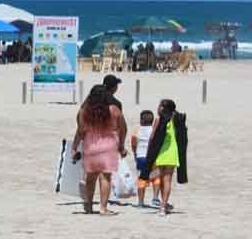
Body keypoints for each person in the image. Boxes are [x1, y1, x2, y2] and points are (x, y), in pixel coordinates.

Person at [72, 85, 127, 215]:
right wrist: (121, 145)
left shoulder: (84, 111)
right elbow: (123, 129)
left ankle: (89, 206)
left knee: (90, 178)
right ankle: (103, 207)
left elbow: (80, 132)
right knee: (105, 178)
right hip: (109, 148)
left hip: (91, 147)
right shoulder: (114, 110)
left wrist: (74, 147)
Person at [140, 99, 188, 216]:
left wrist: (149, 152)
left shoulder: (159, 120)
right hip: (173, 153)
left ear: (162, 108)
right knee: (167, 180)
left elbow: (152, 138)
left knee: (161, 179)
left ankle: (163, 204)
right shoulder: (177, 119)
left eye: (159, 106)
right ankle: (163, 206)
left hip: (161, 152)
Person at [131, 110, 160, 208]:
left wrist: (135, 153)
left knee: (142, 179)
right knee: (155, 177)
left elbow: (134, 143)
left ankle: (140, 202)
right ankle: (155, 197)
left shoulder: (137, 130)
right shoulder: (153, 130)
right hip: (152, 157)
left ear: (141, 120)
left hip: (141, 157)